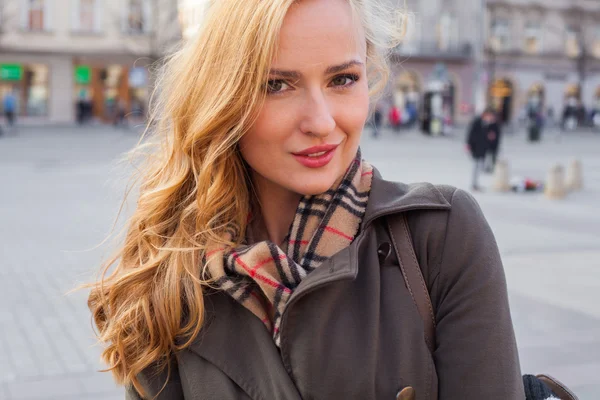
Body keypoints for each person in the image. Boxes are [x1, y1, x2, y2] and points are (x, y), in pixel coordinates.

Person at [87, 0, 525, 399]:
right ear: (223, 97)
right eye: (277, 85)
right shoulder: (173, 278)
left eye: (343, 79)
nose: (321, 120)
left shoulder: (441, 238)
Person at [467, 108, 500, 190]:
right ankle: (474, 184)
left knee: (479, 166)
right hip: (476, 147)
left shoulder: (491, 124)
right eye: (490, 116)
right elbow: (471, 134)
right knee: (476, 166)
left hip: (483, 149)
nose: (491, 118)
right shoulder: (477, 122)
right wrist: (468, 144)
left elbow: (494, 136)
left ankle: (476, 183)